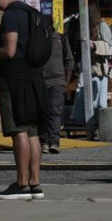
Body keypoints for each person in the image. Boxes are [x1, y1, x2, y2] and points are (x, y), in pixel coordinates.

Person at [0, 0, 50, 201]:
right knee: (32, 131)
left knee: (18, 130)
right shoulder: (29, 12)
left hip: (16, 80)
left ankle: (21, 185)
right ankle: (34, 183)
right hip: (34, 77)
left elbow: (10, 50)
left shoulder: (11, 15)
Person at [71, 0, 112, 134]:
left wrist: (94, 45)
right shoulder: (83, 26)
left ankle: (99, 123)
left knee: (99, 97)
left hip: (98, 65)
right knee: (81, 91)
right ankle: (79, 119)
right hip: (85, 63)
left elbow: (109, 46)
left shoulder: (102, 26)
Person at [39, 20, 73, 155]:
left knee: (55, 110)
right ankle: (44, 142)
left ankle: (54, 142)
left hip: (57, 81)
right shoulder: (37, 39)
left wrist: (67, 82)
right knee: (42, 112)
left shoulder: (61, 38)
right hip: (41, 81)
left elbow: (69, 60)